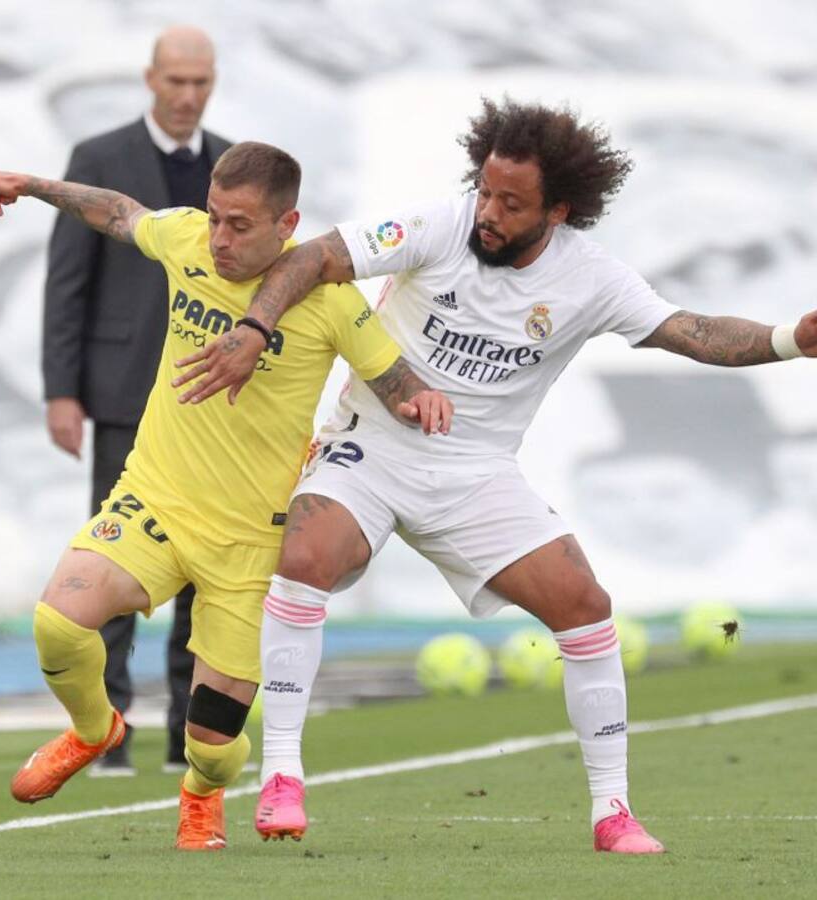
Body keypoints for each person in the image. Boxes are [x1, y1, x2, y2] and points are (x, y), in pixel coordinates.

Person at [171, 97, 817, 854]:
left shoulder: (591, 278)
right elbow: (313, 257)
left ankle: (613, 811)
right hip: (369, 448)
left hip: (474, 473)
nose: (488, 212)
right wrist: (255, 327)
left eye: (511, 204)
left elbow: (692, 331)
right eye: (484, 191)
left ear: (558, 211)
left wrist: (789, 338)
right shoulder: (436, 225)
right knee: (306, 553)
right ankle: (282, 774)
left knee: (585, 605)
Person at [0, 141, 453, 850]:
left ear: (288, 225)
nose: (219, 238)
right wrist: (31, 184)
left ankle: (201, 791)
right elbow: (118, 212)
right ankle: (95, 730)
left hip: (248, 540)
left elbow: (393, 377)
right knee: (58, 623)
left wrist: (423, 399)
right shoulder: (187, 240)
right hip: (155, 500)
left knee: (215, 745)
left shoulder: (331, 301)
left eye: (239, 225)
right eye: (216, 217)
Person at [41, 26, 231, 775]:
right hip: (123, 395)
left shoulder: (233, 167)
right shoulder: (98, 159)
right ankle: (108, 729)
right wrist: (62, 391)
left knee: (205, 568)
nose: (187, 96)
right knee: (113, 554)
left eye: (200, 82)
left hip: (212, 400)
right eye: (176, 81)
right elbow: (67, 281)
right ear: (151, 79)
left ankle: (190, 729)